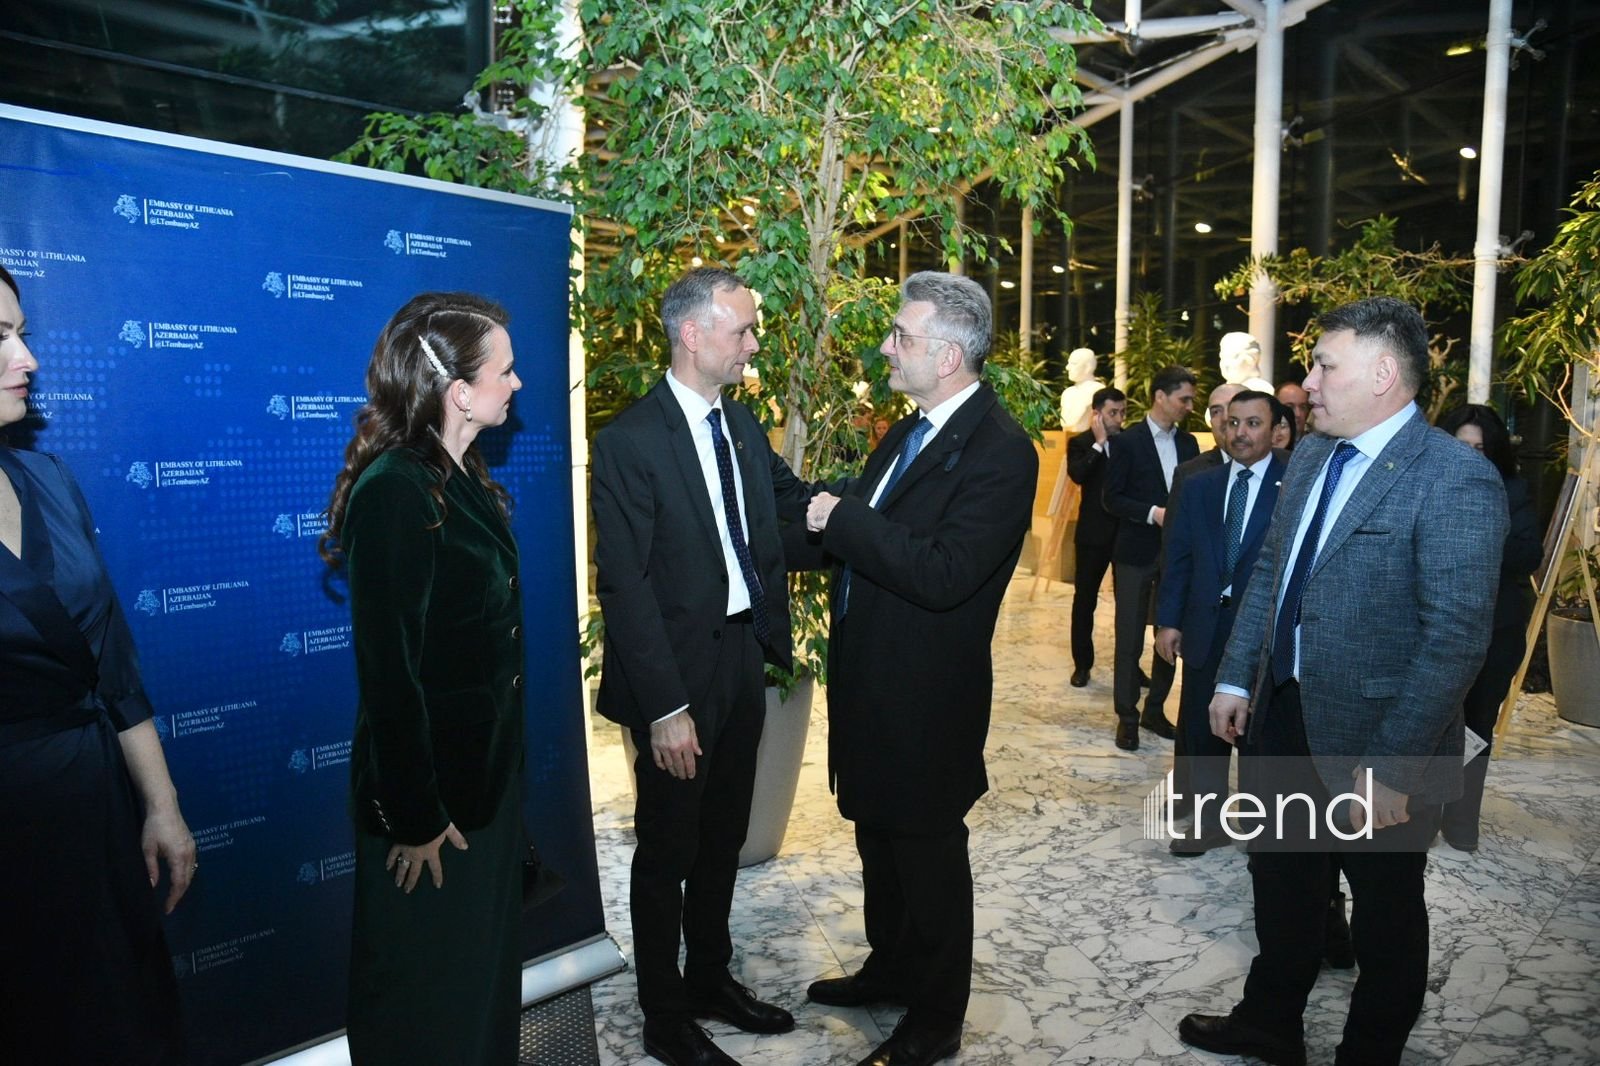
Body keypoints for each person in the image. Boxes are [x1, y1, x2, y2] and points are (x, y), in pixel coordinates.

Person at [1182, 297, 1507, 1066]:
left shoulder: (1454, 478)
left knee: (1385, 919)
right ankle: (1270, 1022)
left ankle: (1369, 1052)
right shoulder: (1314, 460)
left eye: (1326, 364)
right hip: (1283, 716)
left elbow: (1456, 640)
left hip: (1382, 739)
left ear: (1384, 374)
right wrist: (1235, 677)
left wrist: (1393, 769)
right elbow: (1271, 572)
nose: (1309, 380)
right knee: (1284, 889)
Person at [800, 271, 1037, 1066]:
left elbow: (942, 571)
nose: (886, 347)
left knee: (928, 857)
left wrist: (844, 519)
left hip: (927, 697)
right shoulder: (910, 430)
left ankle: (936, 1018)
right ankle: (891, 968)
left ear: (949, 352)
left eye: (901, 336)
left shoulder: (1002, 451)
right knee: (879, 842)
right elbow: (868, 522)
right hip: (872, 683)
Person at [591, 268, 813, 1066]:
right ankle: (664, 1012)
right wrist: (664, 708)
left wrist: (878, 511)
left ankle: (711, 977)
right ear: (694, 335)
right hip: (676, 681)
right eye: (743, 330)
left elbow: (794, 507)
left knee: (723, 838)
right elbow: (625, 585)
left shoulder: (742, 427)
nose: (754, 344)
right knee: (666, 853)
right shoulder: (627, 442)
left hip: (740, 660)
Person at [321, 292, 528, 1065]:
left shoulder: (457, 474)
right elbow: (389, 676)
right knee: (424, 1008)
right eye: (505, 370)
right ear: (459, 391)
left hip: (480, 792)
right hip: (431, 812)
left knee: (473, 994)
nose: (518, 383)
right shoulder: (396, 493)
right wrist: (413, 815)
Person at [0, 263, 195, 1064]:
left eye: (20, 334)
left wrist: (161, 803)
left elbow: (111, 660)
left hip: (98, 808)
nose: (28, 360)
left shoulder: (46, 477)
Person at [1155, 390, 1285, 853]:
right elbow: (1180, 557)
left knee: (1255, 736)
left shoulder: (1294, 483)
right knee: (1202, 733)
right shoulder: (1200, 484)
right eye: (1233, 423)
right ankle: (1208, 823)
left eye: (1253, 423)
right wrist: (1167, 620)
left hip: (1262, 638)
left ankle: (1254, 822)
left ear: (1275, 431)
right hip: (1204, 631)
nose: (1240, 433)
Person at [1435, 403, 1543, 852]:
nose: (1472, 457)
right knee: (1429, 723)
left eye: (1481, 449)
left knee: (1475, 727)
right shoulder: (1428, 487)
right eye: (1464, 447)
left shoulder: (1512, 491)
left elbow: (1527, 557)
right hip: (1435, 628)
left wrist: (1478, 532)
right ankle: (1417, 817)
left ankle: (1462, 823)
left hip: (1495, 630)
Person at [1103, 365, 1198, 750]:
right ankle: (1127, 715)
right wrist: (1153, 513)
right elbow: (1111, 498)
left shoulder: (1190, 445)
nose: (1190, 406)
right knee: (1128, 638)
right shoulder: (1127, 443)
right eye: (1184, 399)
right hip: (1134, 553)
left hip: (1176, 557)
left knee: (1169, 634)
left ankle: (1154, 709)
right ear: (1161, 396)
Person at [1066, 386, 1125, 687]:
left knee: (1128, 605)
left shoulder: (1129, 443)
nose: (1118, 419)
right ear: (1097, 414)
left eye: (1122, 412)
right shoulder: (1081, 443)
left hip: (1125, 533)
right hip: (1092, 534)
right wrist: (1099, 445)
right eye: (1113, 413)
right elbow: (1077, 474)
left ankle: (1129, 667)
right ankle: (1082, 664)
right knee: (1084, 601)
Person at [1058, 347, 1105, 432]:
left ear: (1088, 367)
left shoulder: (1098, 390)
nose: (1067, 367)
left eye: (1074, 364)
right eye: (1068, 363)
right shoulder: (1068, 393)